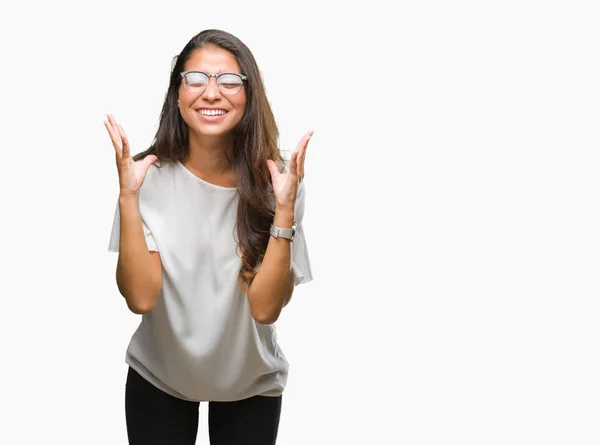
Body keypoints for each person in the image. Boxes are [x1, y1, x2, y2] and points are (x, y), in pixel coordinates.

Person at [105, 29, 313, 445]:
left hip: (249, 384)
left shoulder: (279, 180)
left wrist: (285, 209)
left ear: (249, 95)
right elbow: (140, 299)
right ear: (177, 95)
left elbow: (266, 308)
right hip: (159, 377)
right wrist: (128, 197)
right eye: (196, 79)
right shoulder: (145, 176)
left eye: (230, 81)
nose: (212, 92)